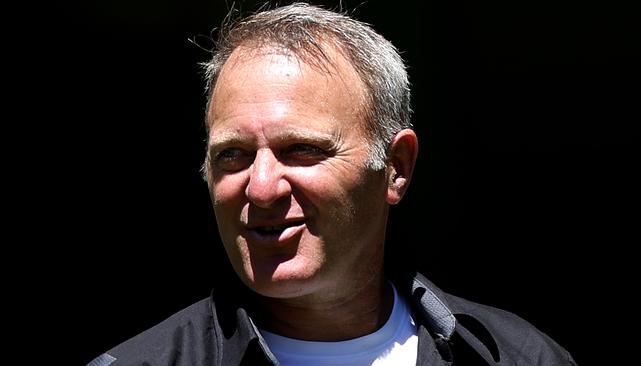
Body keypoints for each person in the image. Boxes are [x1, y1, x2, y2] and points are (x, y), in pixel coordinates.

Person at [88, 3, 576, 365]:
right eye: (232, 155)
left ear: (396, 167)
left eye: (302, 149)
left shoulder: (514, 357)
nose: (261, 188)